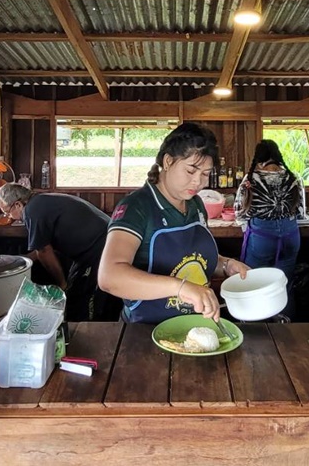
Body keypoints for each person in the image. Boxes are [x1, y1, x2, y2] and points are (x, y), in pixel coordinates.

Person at [98, 121, 250, 324]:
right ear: (168, 162)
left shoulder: (195, 204)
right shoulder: (137, 207)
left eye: (205, 174)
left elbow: (194, 257)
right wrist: (180, 287)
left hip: (196, 326)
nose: (199, 182)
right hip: (145, 332)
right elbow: (109, 277)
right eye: (190, 171)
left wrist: (226, 264)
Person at [0, 184, 121, 322]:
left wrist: (61, 283)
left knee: (83, 298)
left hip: (99, 248)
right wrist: (23, 260)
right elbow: (42, 248)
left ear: (18, 204)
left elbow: (43, 251)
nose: (10, 217)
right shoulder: (40, 201)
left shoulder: (32, 210)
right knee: (74, 293)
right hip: (97, 245)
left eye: (7, 212)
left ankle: (90, 332)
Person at [234, 139, 306, 318]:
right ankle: (286, 328)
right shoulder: (293, 177)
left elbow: (239, 214)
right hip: (291, 235)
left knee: (255, 284)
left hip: (261, 237)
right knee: (284, 284)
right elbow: (301, 212)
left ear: (258, 158)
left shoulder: (251, 178)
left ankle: (258, 327)